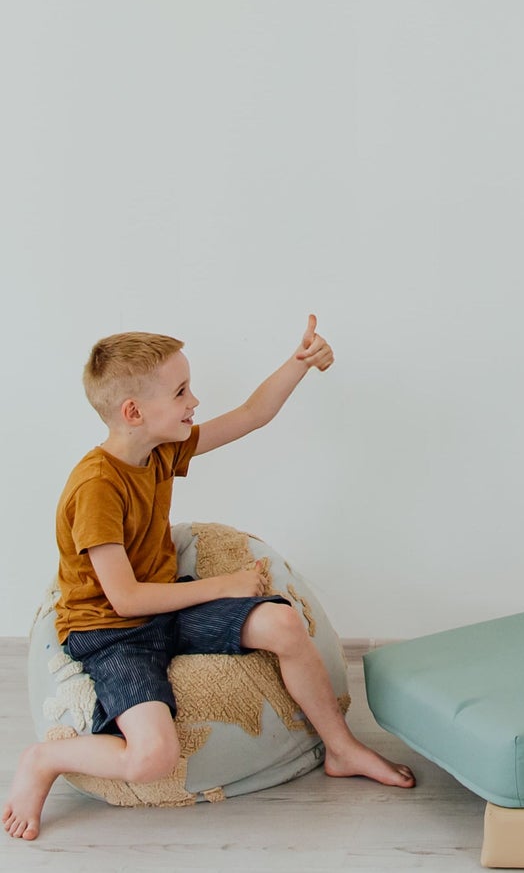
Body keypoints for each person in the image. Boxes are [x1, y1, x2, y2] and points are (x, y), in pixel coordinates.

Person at [2, 320, 413, 842]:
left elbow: (252, 414)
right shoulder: (96, 488)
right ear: (134, 412)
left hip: (167, 607)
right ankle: (43, 760)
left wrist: (300, 362)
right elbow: (124, 599)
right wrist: (226, 585)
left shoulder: (160, 449)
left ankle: (342, 748)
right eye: (181, 392)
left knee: (283, 624)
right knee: (153, 757)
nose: (194, 400)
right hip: (112, 632)